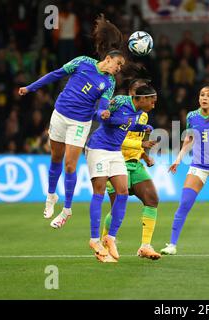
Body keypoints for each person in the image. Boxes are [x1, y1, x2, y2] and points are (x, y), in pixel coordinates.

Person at [18, 15, 126, 228]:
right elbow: (55, 74)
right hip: (59, 115)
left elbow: (102, 106)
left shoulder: (109, 82)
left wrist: (104, 113)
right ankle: (51, 196)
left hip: (79, 123)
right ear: (109, 59)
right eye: (118, 64)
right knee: (56, 158)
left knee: (70, 165)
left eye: (121, 67)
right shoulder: (82, 62)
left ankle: (66, 209)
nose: (119, 69)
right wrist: (31, 87)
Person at [160, 82, 209, 256]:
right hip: (198, 167)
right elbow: (189, 139)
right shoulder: (191, 116)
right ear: (199, 98)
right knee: (185, 203)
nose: (205, 98)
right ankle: (172, 245)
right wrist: (178, 159)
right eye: (202, 95)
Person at [86, 84, 157, 262]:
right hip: (99, 148)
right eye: (152, 101)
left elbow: (129, 126)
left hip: (116, 152)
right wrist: (105, 114)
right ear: (142, 98)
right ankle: (95, 240)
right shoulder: (119, 101)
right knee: (99, 192)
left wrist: (144, 129)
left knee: (123, 193)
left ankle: (110, 238)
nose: (154, 105)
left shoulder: (141, 114)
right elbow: (99, 114)